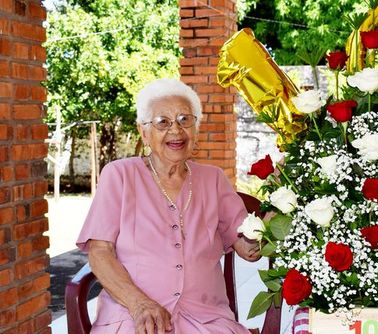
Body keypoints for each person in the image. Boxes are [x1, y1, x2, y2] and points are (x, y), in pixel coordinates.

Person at [76, 78, 260, 334]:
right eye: (163, 122)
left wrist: (266, 231)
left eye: (185, 119)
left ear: (196, 128)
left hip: (206, 319)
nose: (176, 130)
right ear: (144, 131)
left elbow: (248, 248)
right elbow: (99, 251)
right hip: (134, 316)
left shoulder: (214, 178)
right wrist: (138, 303)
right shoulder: (119, 175)